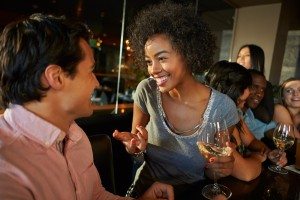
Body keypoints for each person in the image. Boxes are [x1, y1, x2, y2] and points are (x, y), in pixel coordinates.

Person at [0, 13, 174, 200]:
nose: (96, 83)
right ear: (56, 77)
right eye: (91, 71)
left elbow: (95, 196)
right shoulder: (7, 166)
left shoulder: (74, 135)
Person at [113, 1, 238, 198]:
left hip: (192, 193)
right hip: (146, 189)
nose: (153, 69)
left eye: (162, 58)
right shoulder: (147, 90)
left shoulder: (223, 108)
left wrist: (222, 169)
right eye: (148, 61)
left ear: (188, 54)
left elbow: (212, 169)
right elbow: (137, 153)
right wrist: (135, 150)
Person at [205, 60, 286, 182]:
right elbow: (246, 174)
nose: (243, 106)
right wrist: (257, 158)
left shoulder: (236, 115)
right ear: (225, 97)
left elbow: (251, 141)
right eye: (240, 100)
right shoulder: (216, 124)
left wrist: (269, 153)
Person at [236, 44, 274, 123]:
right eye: (239, 56)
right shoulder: (231, 80)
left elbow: (267, 117)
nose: (241, 59)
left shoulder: (266, 85)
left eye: (247, 55)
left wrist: (251, 100)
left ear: (256, 59)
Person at [243, 70, 276, 140]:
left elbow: (266, 128)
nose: (259, 94)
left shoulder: (249, 114)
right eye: (254, 87)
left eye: (262, 90)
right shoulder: (232, 113)